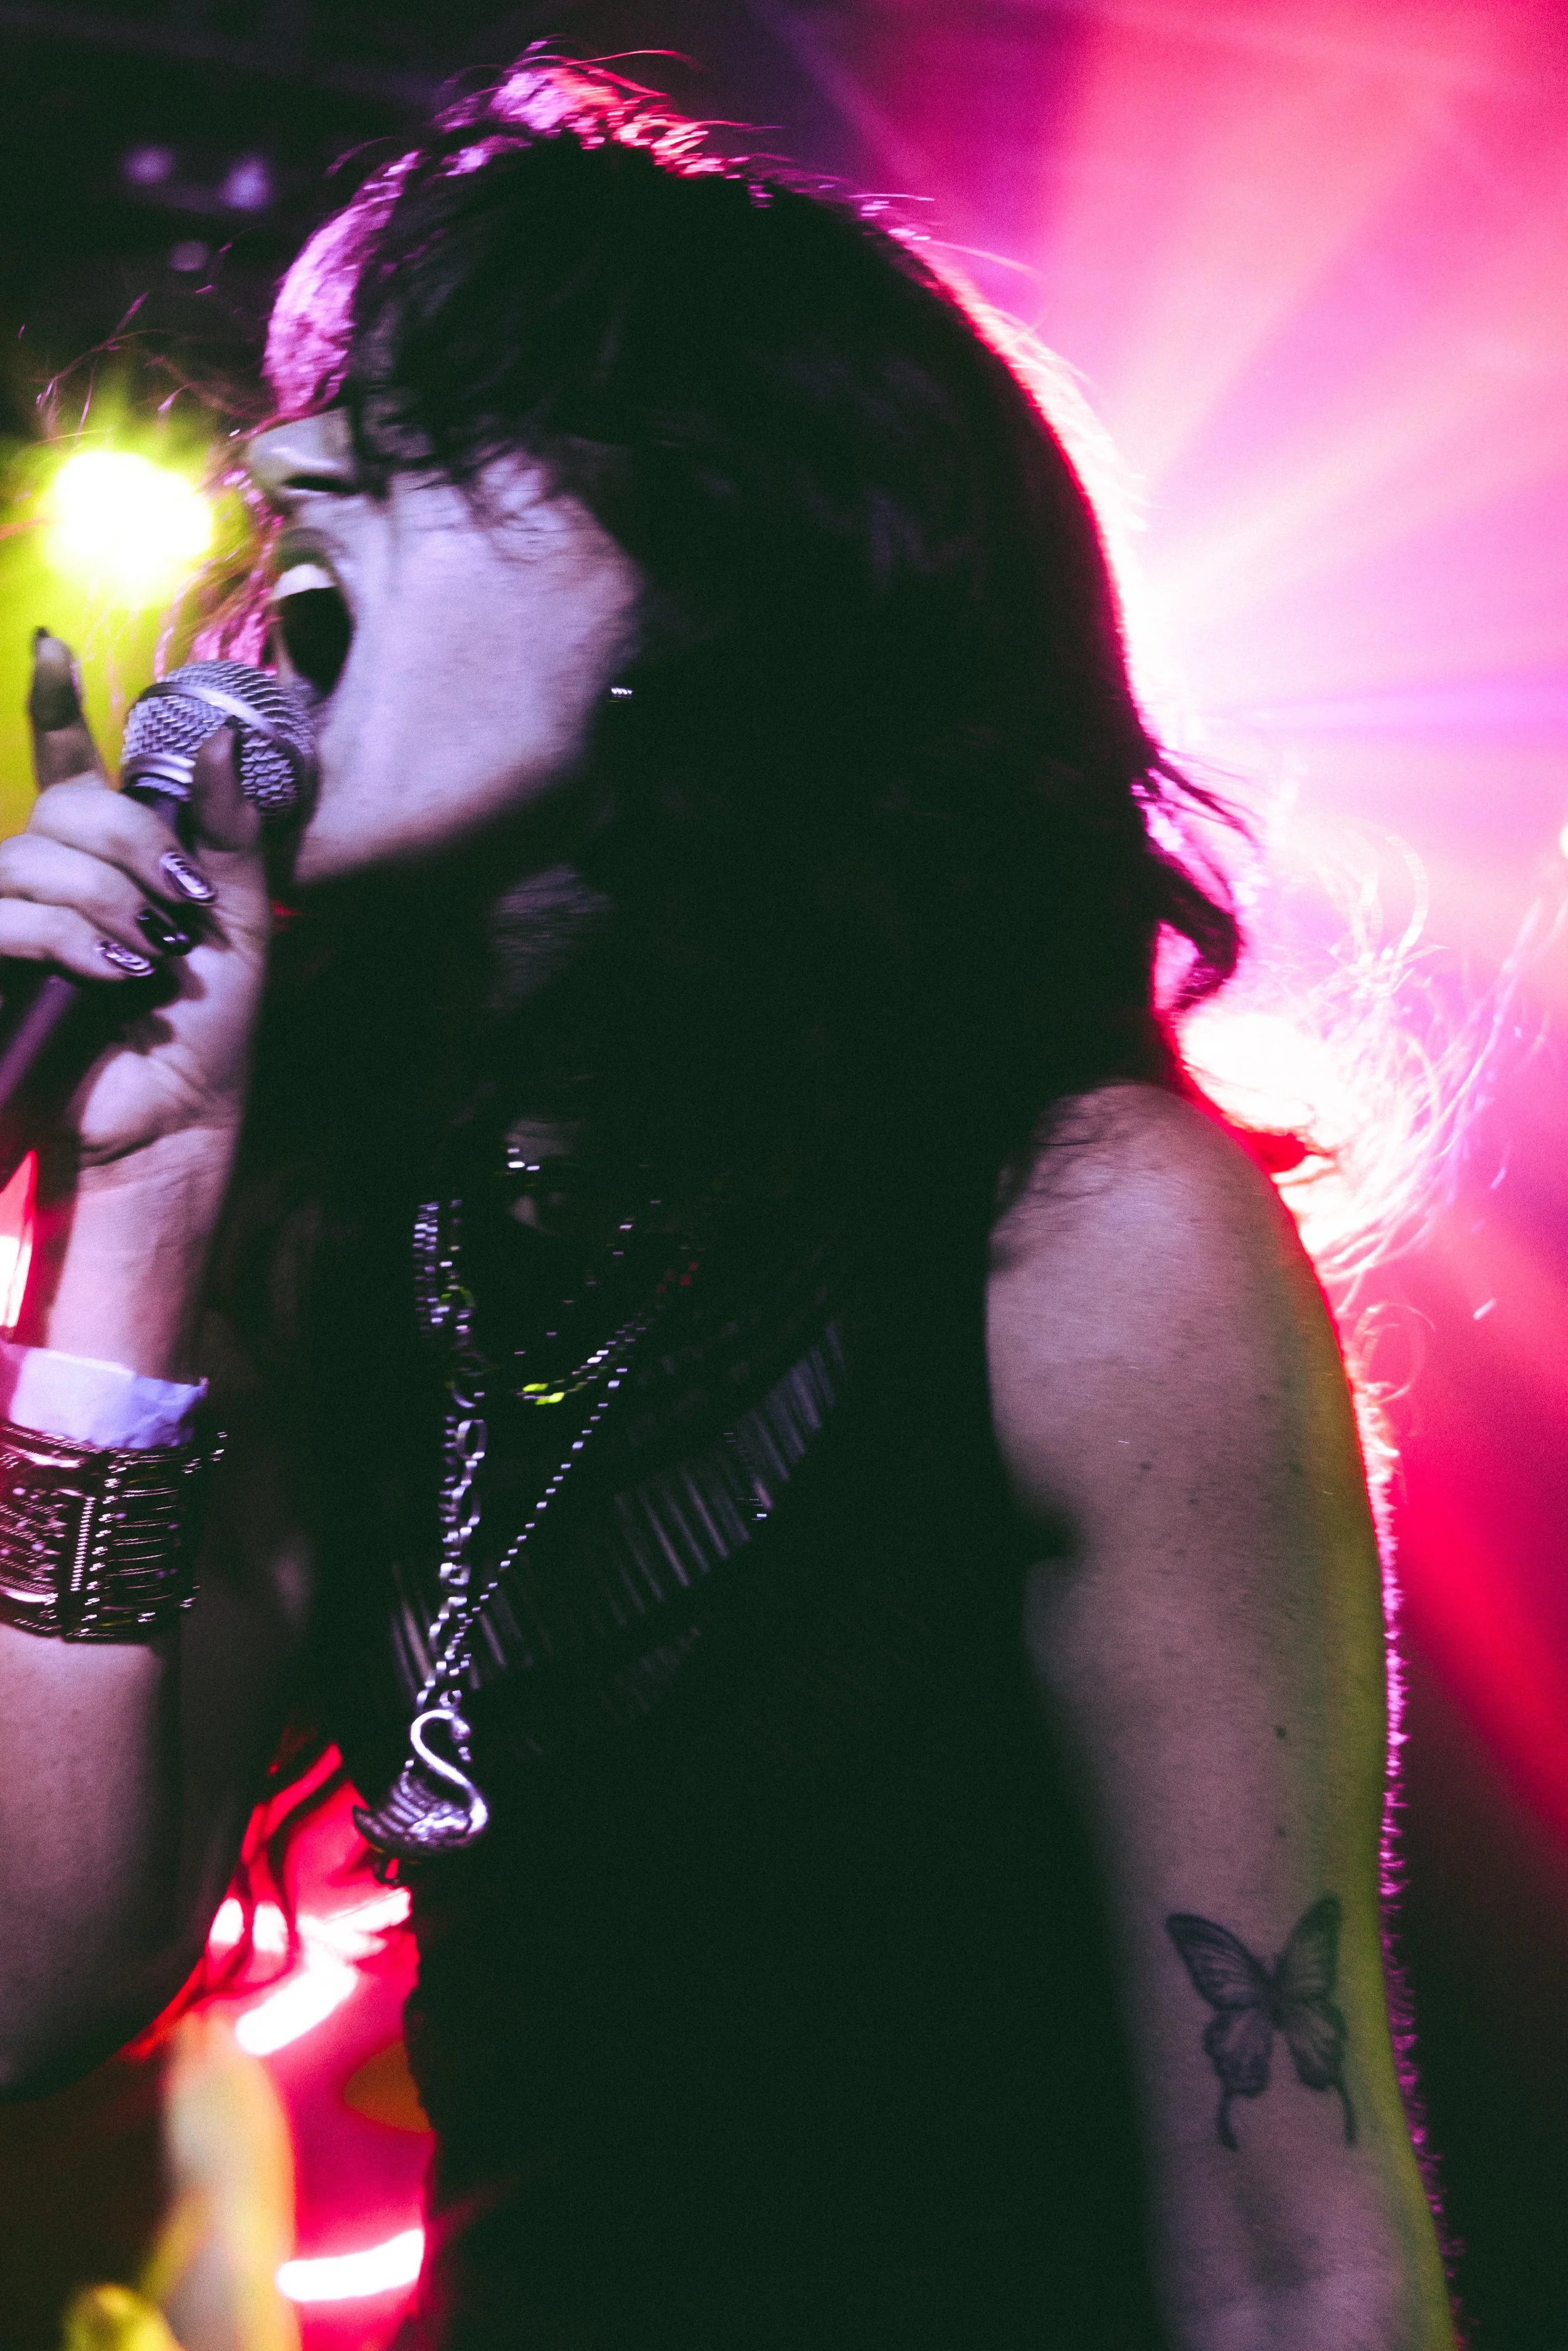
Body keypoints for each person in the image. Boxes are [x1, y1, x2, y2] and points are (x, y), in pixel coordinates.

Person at [0, 59, 1455, 2351]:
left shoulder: (1068, 1237)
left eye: (426, 418)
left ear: (714, 563)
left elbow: (1294, 2258)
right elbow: (31, 1972)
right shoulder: (346, 1218)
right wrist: (150, 1188)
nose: (278, 469)